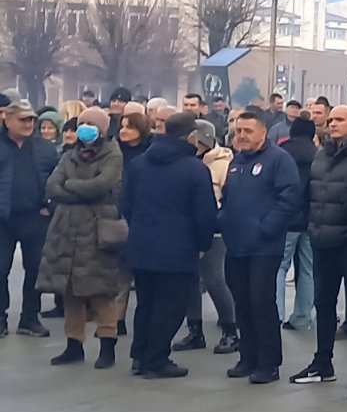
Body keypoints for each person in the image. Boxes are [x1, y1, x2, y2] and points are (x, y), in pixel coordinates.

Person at [122, 111, 218, 379]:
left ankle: (140, 356)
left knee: (146, 303)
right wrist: (202, 243)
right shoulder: (195, 169)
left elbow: (126, 204)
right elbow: (205, 213)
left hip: (142, 245)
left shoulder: (140, 163)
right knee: (171, 305)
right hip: (178, 247)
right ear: (191, 135)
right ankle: (157, 359)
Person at [38, 108, 129, 369]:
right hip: (67, 230)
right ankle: (73, 345)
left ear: (102, 128)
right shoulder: (69, 155)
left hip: (98, 229)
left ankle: (107, 346)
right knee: (71, 291)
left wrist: (71, 186)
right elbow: (52, 186)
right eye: (82, 124)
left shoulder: (113, 154)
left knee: (102, 290)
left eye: (90, 124)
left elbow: (102, 186)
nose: (84, 128)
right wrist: (79, 190)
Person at [216, 112, 300, 385]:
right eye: (238, 130)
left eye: (247, 131)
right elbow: (229, 199)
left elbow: (288, 199)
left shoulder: (279, 160)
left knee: (261, 302)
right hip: (237, 244)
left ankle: (268, 363)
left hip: (264, 247)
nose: (241, 135)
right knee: (242, 302)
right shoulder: (236, 161)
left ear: (263, 133)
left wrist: (265, 228)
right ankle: (247, 357)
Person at [291, 105, 347, 385]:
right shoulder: (321, 155)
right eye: (330, 120)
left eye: (339, 119)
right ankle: (322, 362)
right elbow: (310, 194)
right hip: (321, 239)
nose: (332, 124)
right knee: (323, 303)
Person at [172, 119, 238, 354]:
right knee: (191, 279)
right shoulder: (187, 161)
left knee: (214, 279)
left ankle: (230, 330)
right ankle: (194, 330)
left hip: (215, 228)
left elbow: (226, 196)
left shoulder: (224, 163)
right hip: (187, 226)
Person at [1, 98, 58, 338]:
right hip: (4, 219)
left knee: (35, 269)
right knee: (0, 269)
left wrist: (50, 206)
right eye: (23, 119)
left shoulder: (44, 148)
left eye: (32, 119)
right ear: (8, 120)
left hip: (36, 217)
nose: (29, 124)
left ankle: (30, 317)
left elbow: (57, 179)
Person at [278, 117, 317, 330]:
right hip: (310, 220)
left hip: (287, 219)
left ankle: (277, 314)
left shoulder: (282, 153)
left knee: (280, 267)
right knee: (308, 269)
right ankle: (302, 317)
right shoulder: (318, 155)